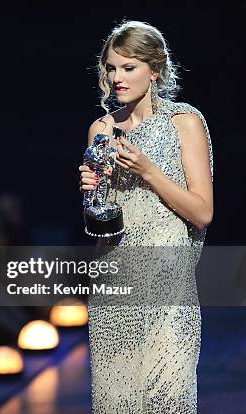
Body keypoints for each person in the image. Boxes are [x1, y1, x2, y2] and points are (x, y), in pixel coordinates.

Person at [78, 21, 213, 413]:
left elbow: (202, 212)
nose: (116, 78)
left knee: (168, 398)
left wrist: (149, 171)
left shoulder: (183, 122)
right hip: (115, 284)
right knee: (115, 401)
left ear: (154, 69)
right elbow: (99, 222)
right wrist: (91, 192)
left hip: (169, 286)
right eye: (111, 68)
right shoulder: (101, 129)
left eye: (128, 67)